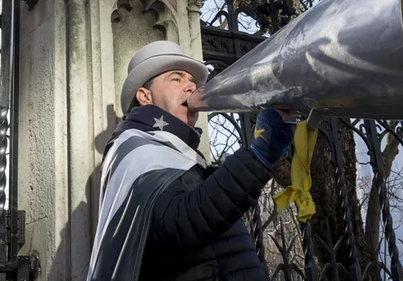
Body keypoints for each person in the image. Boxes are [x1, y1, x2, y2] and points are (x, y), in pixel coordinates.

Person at [87, 40, 295, 281]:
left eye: (192, 81)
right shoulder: (133, 148)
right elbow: (180, 221)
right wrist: (258, 156)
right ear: (145, 96)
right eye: (176, 79)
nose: (191, 87)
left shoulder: (180, 152)